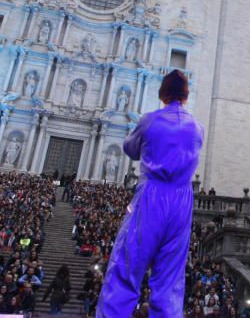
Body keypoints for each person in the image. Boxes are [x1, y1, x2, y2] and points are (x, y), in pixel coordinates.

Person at [97, 69, 204, 317]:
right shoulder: (197, 127)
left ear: (163, 94)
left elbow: (130, 149)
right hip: (182, 200)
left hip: (152, 195)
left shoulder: (150, 120)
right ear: (186, 96)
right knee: (170, 276)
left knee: (127, 266)